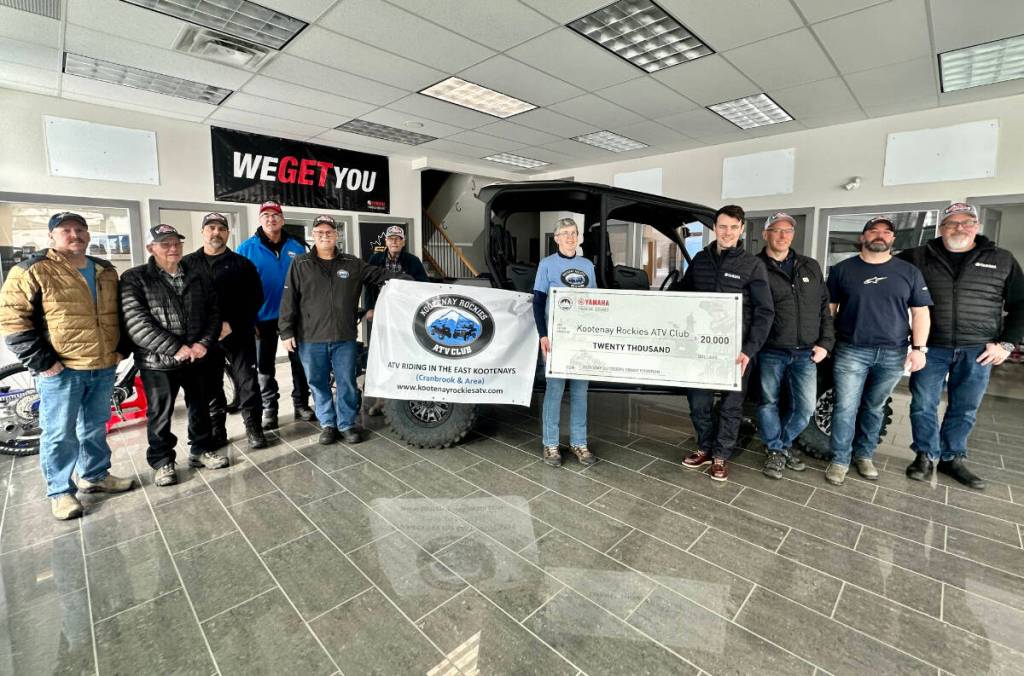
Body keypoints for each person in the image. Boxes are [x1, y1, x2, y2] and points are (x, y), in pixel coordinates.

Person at [0, 212, 135, 519]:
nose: (75, 235)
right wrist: (43, 362)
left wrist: (121, 349)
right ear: (52, 236)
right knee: (59, 433)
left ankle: (95, 476)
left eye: (80, 229)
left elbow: (119, 312)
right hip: (61, 369)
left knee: (94, 426)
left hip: (102, 364)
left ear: (88, 234)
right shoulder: (31, 270)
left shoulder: (105, 270)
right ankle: (60, 492)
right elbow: (12, 320)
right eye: (66, 230)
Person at [898, 202, 1024, 489]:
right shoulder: (917, 257)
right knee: (923, 403)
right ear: (941, 228)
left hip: (977, 349)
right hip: (930, 346)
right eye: (952, 223)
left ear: (977, 227)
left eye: (967, 222)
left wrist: (1006, 343)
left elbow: (1021, 304)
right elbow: (888, 283)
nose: (960, 228)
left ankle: (951, 457)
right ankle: (924, 454)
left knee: (965, 406)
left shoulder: (1001, 259)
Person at [825, 216, 932, 486]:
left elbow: (920, 313)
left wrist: (919, 349)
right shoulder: (842, 270)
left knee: (874, 407)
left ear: (892, 239)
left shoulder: (908, 272)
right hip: (851, 350)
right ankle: (840, 459)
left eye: (886, 232)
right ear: (863, 237)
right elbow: (829, 310)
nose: (880, 235)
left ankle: (864, 455)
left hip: (893, 353)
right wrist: (826, 342)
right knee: (845, 407)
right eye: (874, 231)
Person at [121, 224, 227, 487]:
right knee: (160, 414)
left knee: (200, 407)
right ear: (151, 248)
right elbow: (137, 323)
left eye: (177, 243)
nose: (173, 248)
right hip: (157, 361)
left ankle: (201, 450)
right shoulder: (135, 278)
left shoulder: (197, 274)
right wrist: (175, 348)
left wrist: (203, 343)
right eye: (165, 244)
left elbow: (214, 312)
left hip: (196, 356)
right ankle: (162, 461)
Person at [279, 215, 400, 445]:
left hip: (344, 337)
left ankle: (346, 424)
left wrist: (410, 281)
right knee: (318, 383)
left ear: (336, 235)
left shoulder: (352, 263)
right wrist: (286, 332)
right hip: (310, 337)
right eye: (320, 232)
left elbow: (379, 275)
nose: (325, 236)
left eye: (329, 232)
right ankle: (328, 424)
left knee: (346, 382)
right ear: (313, 235)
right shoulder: (301, 263)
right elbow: (288, 299)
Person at [681, 205, 774, 482]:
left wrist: (749, 350)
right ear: (714, 228)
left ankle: (721, 456)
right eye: (722, 226)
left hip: (737, 352)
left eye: (734, 227)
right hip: (701, 349)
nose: (727, 232)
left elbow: (765, 311)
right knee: (698, 403)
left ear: (741, 229)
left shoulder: (752, 265)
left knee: (731, 407)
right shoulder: (700, 260)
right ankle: (705, 447)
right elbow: (680, 296)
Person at [756, 212, 834, 479]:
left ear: (793, 234)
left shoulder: (810, 266)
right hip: (770, 350)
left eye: (787, 230)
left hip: (806, 353)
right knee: (768, 402)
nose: (782, 235)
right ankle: (776, 451)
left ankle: (779, 446)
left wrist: (825, 343)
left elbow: (823, 307)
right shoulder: (755, 266)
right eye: (776, 230)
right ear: (766, 234)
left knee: (805, 408)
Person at [182, 212, 267, 450]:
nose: (216, 233)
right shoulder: (187, 264)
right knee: (211, 385)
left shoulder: (243, 265)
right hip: (203, 339)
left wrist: (232, 324)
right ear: (203, 232)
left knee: (247, 382)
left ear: (228, 233)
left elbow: (255, 298)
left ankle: (254, 427)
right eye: (211, 228)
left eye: (221, 229)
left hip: (238, 334)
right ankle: (217, 430)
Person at [236, 200, 314, 430]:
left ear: (282, 219)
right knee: (264, 367)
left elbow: (307, 282)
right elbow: (238, 288)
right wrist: (248, 318)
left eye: (275, 215)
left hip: (294, 316)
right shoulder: (246, 249)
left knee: (299, 363)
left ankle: (301, 403)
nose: (271, 219)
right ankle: (270, 408)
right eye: (266, 215)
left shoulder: (297, 246)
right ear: (260, 220)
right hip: (262, 318)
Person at [533, 218, 598, 468]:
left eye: (574, 233)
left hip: (581, 339)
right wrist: (543, 335)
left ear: (578, 237)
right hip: (555, 338)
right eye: (565, 233)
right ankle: (550, 443)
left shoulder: (587, 265)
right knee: (555, 391)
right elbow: (538, 301)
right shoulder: (547, 264)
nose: (570, 237)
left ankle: (579, 442)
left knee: (580, 392)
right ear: (556, 238)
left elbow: (595, 300)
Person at [363, 224, 429, 416]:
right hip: (382, 314)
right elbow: (368, 284)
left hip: (404, 316)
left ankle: (403, 398)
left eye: (398, 238)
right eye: (391, 238)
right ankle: (380, 400)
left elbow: (424, 286)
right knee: (380, 355)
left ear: (403, 242)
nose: (394, 241)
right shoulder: (375, 259)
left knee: (403, 355)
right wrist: (369, 308)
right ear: (386, 241)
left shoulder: (413, 261)